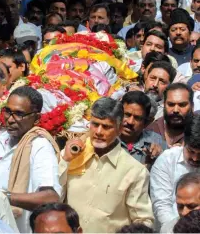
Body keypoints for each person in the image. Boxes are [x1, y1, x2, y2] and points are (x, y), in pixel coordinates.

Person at [0, 86, 61, 233]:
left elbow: (51, 198)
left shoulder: (39, 146)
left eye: (19, 114)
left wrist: (3, 197)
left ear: (36, 118)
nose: (11, 119)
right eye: (8, 111)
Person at [59, 97, 154, 232]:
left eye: (106, 127)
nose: (98, 132)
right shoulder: (73, 156)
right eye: (95, 124)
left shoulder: (134, 171)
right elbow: (55, 197)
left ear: (120, 128)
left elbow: (143, 221)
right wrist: (65, 160)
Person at [150, 113, 200, 230]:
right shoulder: (167, 160)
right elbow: (161, 205)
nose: (195, 158)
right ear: (184, 142)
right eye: (191, 151)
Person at [120, 91, 166, 166]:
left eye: (137, 118)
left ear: (147, 122)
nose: (130, 122)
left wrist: (159, 158)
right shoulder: (105, 136)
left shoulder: (158, 142)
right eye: (127, 115)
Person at [147, 83, 194, 147]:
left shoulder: (197, 133)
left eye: (182, 105)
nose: (175, 110)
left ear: (192, 106)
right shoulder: (151, 130)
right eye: (171, 104)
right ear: (164, 105)